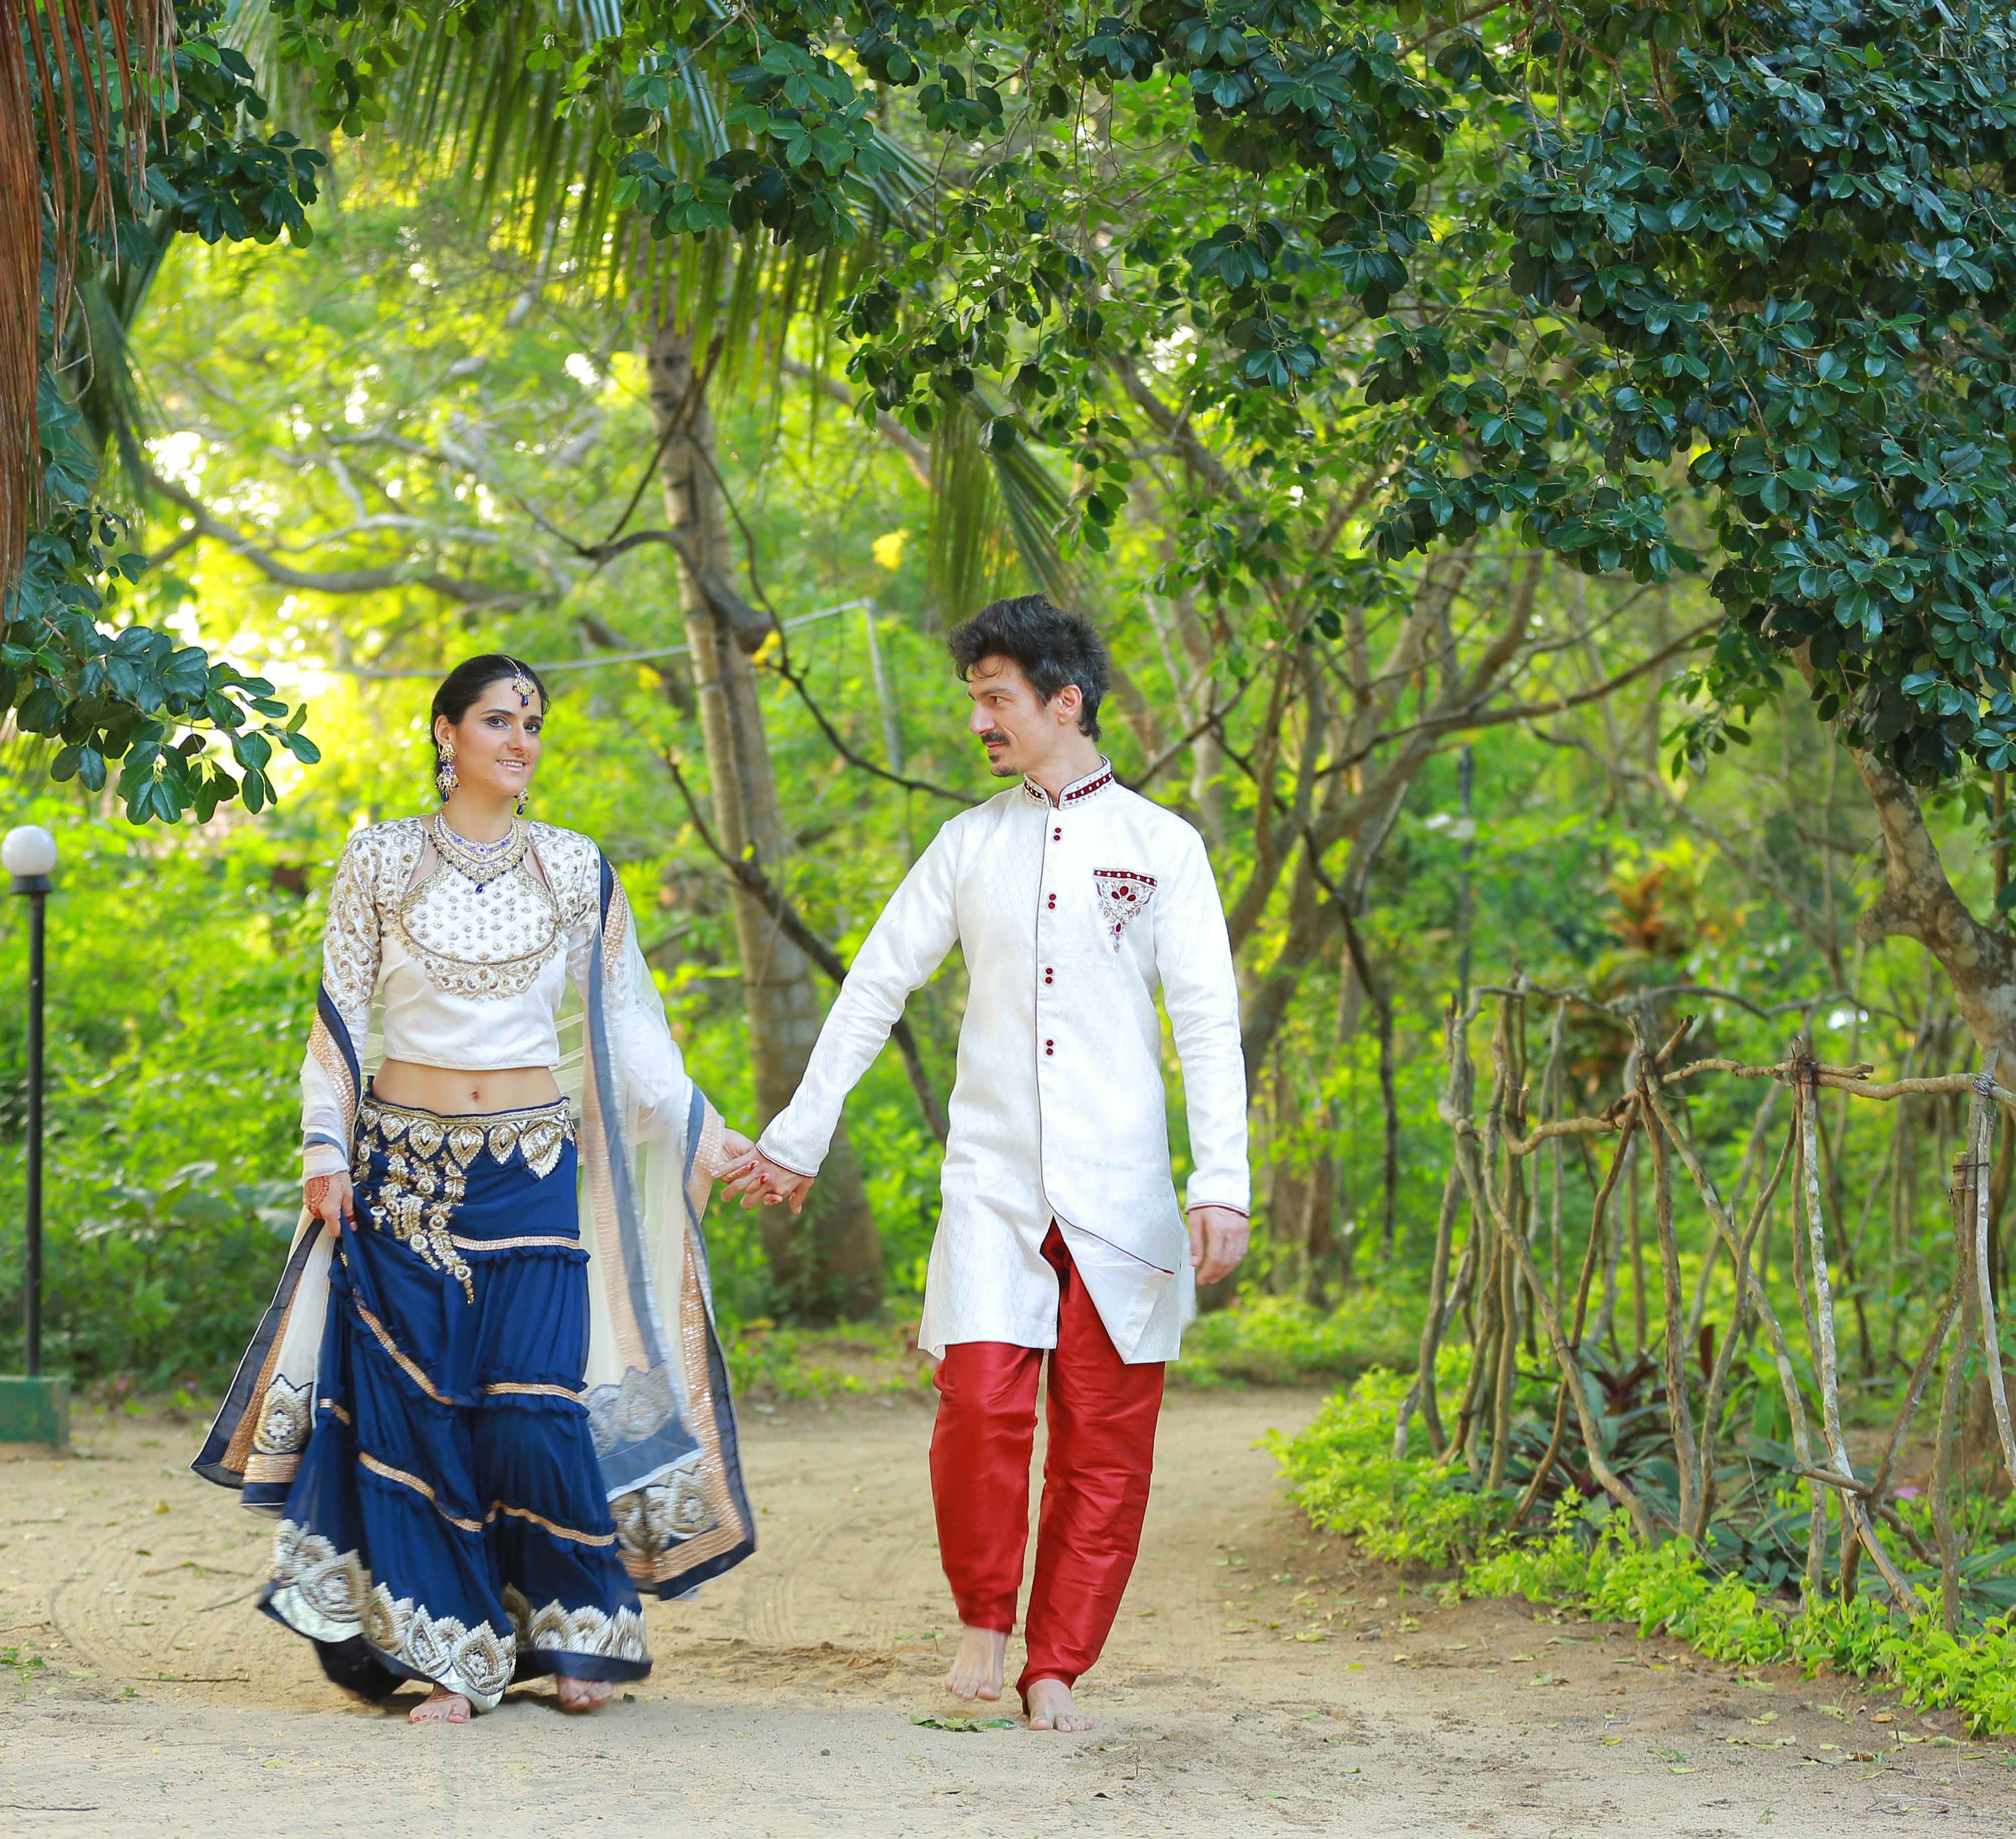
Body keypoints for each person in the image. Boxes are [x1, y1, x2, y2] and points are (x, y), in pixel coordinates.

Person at [196, 654, 758, 1724]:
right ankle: (456, 1656)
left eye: (533, 723)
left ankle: (578, 1629)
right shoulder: (380, 857)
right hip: (400, 1178)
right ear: (445, 732)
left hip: (533, 1172)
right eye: (499, 720)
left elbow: (629, 1021)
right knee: (422, 1416)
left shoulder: (575, 867)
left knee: (535, 1416)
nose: (521, 741)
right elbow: (338, 1018)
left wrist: (708, 1130)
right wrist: (324, 1151)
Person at [726, 596, 1250, 1733]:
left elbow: (1209, 1022)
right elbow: (877, 984)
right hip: (994, 1183)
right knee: (977, 1406)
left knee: (1105, 1447)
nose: (979, 721)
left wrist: (1222, 1184)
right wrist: (799, 1136)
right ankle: (983, 1613)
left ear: (1066, 703)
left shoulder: (1164, 847)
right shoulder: (970, 844)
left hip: (1123, 1195)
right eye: (974, 699)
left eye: (997, 699)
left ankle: (1056, 1663)